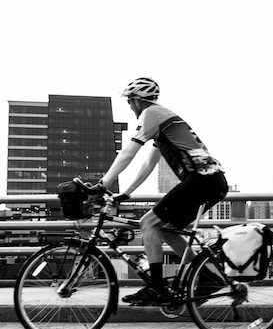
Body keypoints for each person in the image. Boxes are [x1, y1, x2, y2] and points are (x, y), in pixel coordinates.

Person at [95, 77, 228, 305]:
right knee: (167, 230)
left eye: (129, 101)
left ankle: (156, 287)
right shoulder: (162, 121)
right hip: (212, 181)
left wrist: (104, 183)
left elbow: (128, 152)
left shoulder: (152, 114)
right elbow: (149, 164)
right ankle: (207, 278)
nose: (129, 106)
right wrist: (126, 192)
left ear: (137, 100)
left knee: (148, 223)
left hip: (201, 179)